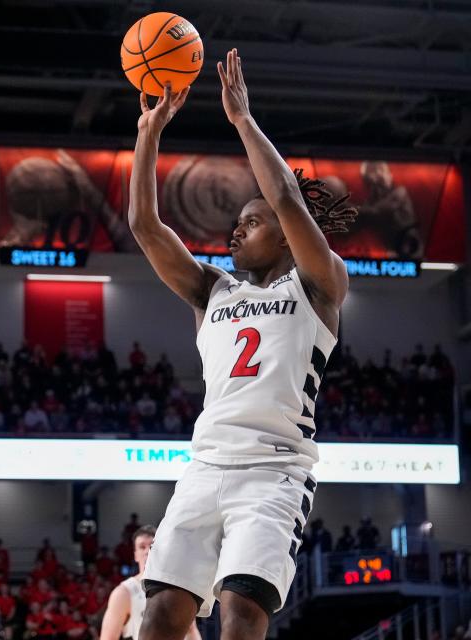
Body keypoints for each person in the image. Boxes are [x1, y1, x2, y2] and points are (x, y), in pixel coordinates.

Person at [129, 49, 357, 640]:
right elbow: (144, 226)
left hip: (275, 470)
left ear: (287, 235)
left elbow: (283, 195)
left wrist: (242, 121)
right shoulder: (212, 290)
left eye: (249, 223)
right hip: (204, 465)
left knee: (242, 612)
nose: (236, 229)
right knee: (159, 617)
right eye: (235, 222)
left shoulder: (319, 283)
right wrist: (148, 136)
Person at [101, 526, 199, 640]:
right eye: (142, 547)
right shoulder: (124, 592)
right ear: (135, 555)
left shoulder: (179, 587)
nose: (147, 551)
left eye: (152, 546)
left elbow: (192, 631)